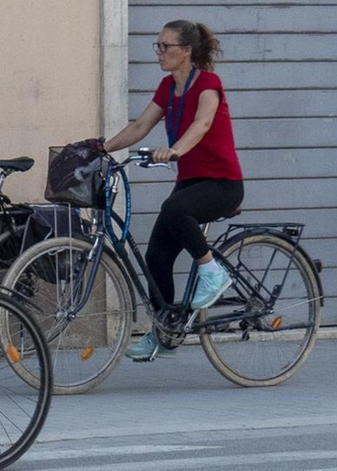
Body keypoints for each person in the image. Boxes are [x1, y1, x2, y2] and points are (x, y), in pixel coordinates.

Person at [101, 19, 243, 360]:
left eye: (166, 46)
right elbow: (140, 126)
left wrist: (176, 149)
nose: (159, 52)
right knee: (156, 257)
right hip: (191, 182)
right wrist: (100, 150)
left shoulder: (208, 84)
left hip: (223, 184)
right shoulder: (167, 87)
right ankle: (165, 329)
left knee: (174, 209)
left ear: (187, 51)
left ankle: (213, 273)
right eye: (158, 45)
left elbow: (203, 122)